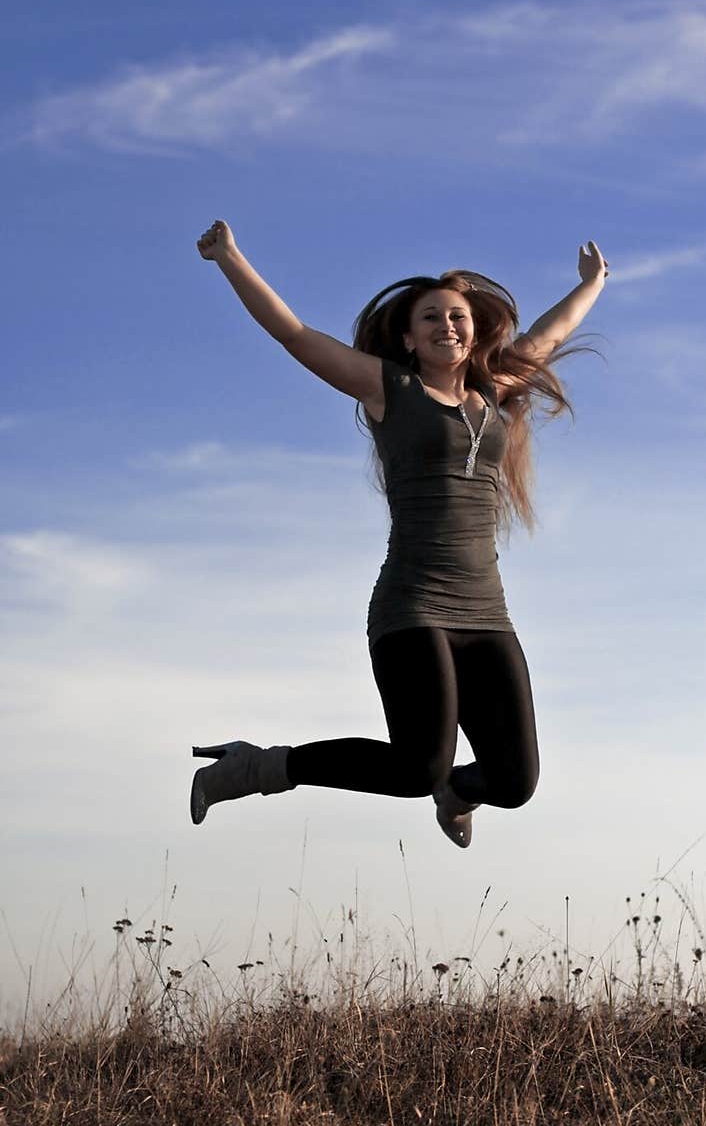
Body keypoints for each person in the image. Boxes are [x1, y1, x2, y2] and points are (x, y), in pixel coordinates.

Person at [191, 220, 608, 847]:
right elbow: (294, 333)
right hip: (412, 606)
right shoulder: (390, 391)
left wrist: (593, 283)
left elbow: (551, 334)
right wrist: (230, 258)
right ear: (409, 338)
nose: (447, 326)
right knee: (417, 766)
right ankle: (259, 766)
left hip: (487, 614)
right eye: (432, 318)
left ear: (474, 332)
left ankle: (458, 793)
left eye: (458, 317)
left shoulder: (495, 392)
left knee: (515, 782)